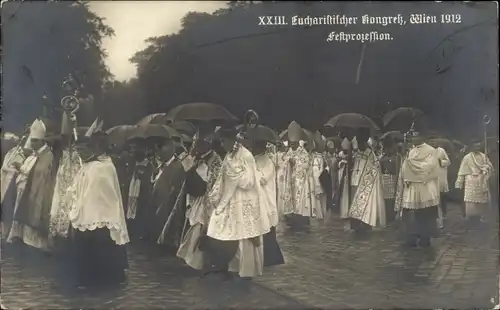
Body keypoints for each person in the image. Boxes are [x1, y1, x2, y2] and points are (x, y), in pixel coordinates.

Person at [62, 130, 129, 289]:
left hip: (102, 215)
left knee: (100, 247)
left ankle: (100, 279)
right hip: (86, 212)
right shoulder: (88, 165)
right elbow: (79, 187)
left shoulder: (103, 167)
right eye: (79, 150)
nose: (82, 153)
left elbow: (105, 193)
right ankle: (87, 278)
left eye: (85, 149)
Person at [206, 127, 271, 280]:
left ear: (231, 140)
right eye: (221, 141)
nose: (222, 144)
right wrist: (215, 195)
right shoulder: (229, 155)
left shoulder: (246, 156)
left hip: (245, 202)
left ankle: (245, 270)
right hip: (230, 201)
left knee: (244, 236)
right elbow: (222, 178)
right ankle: (229, 266)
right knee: (226, 232)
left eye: (224, 141)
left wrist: (234, 172)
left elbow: (249, 182)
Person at [8, 118, 56, 253]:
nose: (32, 143)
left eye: (35, 140)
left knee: (37, 223)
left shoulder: (48, 156)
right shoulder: (36, 155)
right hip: (30, 192)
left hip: (42, 195)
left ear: (42, 141)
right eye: (32, 140)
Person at [177, 132, 222, 272]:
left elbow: (212, 184)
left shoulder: (216, 161)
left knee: (201, 230)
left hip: (208, 202)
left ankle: (202, 264)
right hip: (197, 200)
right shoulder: (199, 159)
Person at [395, 130, 440, 248]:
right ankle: (411, 237)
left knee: (425, 214)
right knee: (410, 214)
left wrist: (411, 164)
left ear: (422, 136)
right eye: (413, 136)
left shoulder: (431, 150)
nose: (414, 138)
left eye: (417, 135)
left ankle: (425, 238)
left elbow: (429, 166)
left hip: (424, 186)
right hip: (412, 187)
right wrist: (406, 173)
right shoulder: (411, 151)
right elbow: (405, 168)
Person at [252, 140, 284, 268]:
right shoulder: (253, 159)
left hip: (266, 199)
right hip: (257, 199)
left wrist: (252, 172)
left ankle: (271, 259)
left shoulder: (268, 162)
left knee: (267, 230)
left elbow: (263, 179)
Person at [348, 135, 386, 231]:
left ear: (365, 142)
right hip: (355, 181)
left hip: (364, 184)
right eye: (358, 142)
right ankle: (354, 224)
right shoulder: (356, 154)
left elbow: (376, 167)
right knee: (354, 204)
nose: (360, 144)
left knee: (364, 204)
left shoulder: (370, 154)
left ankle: (365, 224)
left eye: (361, 142)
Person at [281, 121, 312, 229]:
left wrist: (296, 163)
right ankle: (292, 219)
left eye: (294, 143)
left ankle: (302, 220)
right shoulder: (288, 151)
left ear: (298, 142)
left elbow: (306, 164)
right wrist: (287, 162)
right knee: (290, 201)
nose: (292, 145)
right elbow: (282, 162)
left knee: (300, 201)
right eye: (291, 143)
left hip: (300, 182)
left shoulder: (303, 152)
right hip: (290, 180)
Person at [455, 142, 494, 226]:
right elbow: (462, 170)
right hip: (471, 180)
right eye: (475, 146)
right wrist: (459, 182)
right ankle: (471, 218)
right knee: (471, 201)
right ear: (472, 147)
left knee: (481, 200)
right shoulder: (467, 157)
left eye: (478, 146)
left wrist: (486, 168)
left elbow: (490, 167)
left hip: (481, 179)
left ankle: (480, 217)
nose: (477, 148)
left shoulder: (484, 156)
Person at [309, 131, 328, 221]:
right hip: (313, 177)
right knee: (315, 196)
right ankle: (317, 213)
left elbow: (327, 166)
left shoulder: (324, 156)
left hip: (322, 178)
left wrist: (325, 170)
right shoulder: (311, 156)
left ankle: (323, 213)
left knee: (323, 196)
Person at [434, 145, 451, 229]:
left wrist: (440, 162)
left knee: (442, 198)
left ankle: (444, 215)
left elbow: (448, 161)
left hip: (441, 178)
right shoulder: (427, 151)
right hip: (432, 179)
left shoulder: (441, 150)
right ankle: (436, 218)